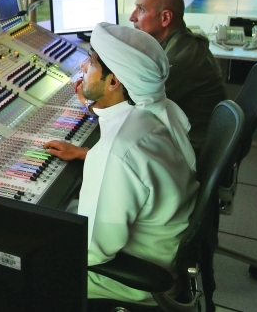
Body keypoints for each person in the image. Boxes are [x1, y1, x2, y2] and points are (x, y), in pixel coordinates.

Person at [44, 23, 198, 308]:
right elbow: (139, 165)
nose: (83, 67)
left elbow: (91, 252)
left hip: (130, 282)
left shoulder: (116, 153)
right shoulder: (151, 112)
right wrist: (89, 143)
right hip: (164, 250)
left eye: (91, 62)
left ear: (113, 82)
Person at [130, 0, 226, 154]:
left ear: (165, 18)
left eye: (141, 10)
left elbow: (138, 107)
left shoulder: (181, 58)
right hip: (191, 137)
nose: (132, 17)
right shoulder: (179, 43)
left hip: (194, 150)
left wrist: (92, 100)